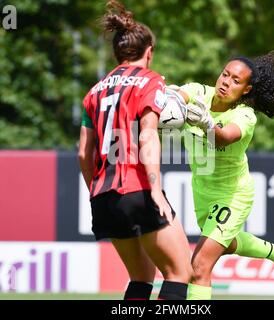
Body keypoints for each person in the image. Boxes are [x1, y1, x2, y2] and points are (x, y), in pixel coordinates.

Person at [172, 49, 274, 299]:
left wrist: (206, 122)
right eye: (225, 75)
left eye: (236, 80)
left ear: (246, 89)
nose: (226, 82)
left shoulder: (244, 115)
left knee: (199, 266)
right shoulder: (198, 92)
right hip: (202, 191)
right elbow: (177, 97)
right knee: (225, 244)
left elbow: (224, 138)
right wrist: (167, 98)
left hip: (232, 196)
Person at [78, 0, 192, 300]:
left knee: (141, 278)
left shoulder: (94, 91)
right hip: (138, 189)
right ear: (149, 51)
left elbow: (83, 153)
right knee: (180, 273)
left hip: (104, 197)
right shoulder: (149, 80)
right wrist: (155, 191)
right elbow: (148, 137)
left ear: (117, 53)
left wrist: (96, 189)